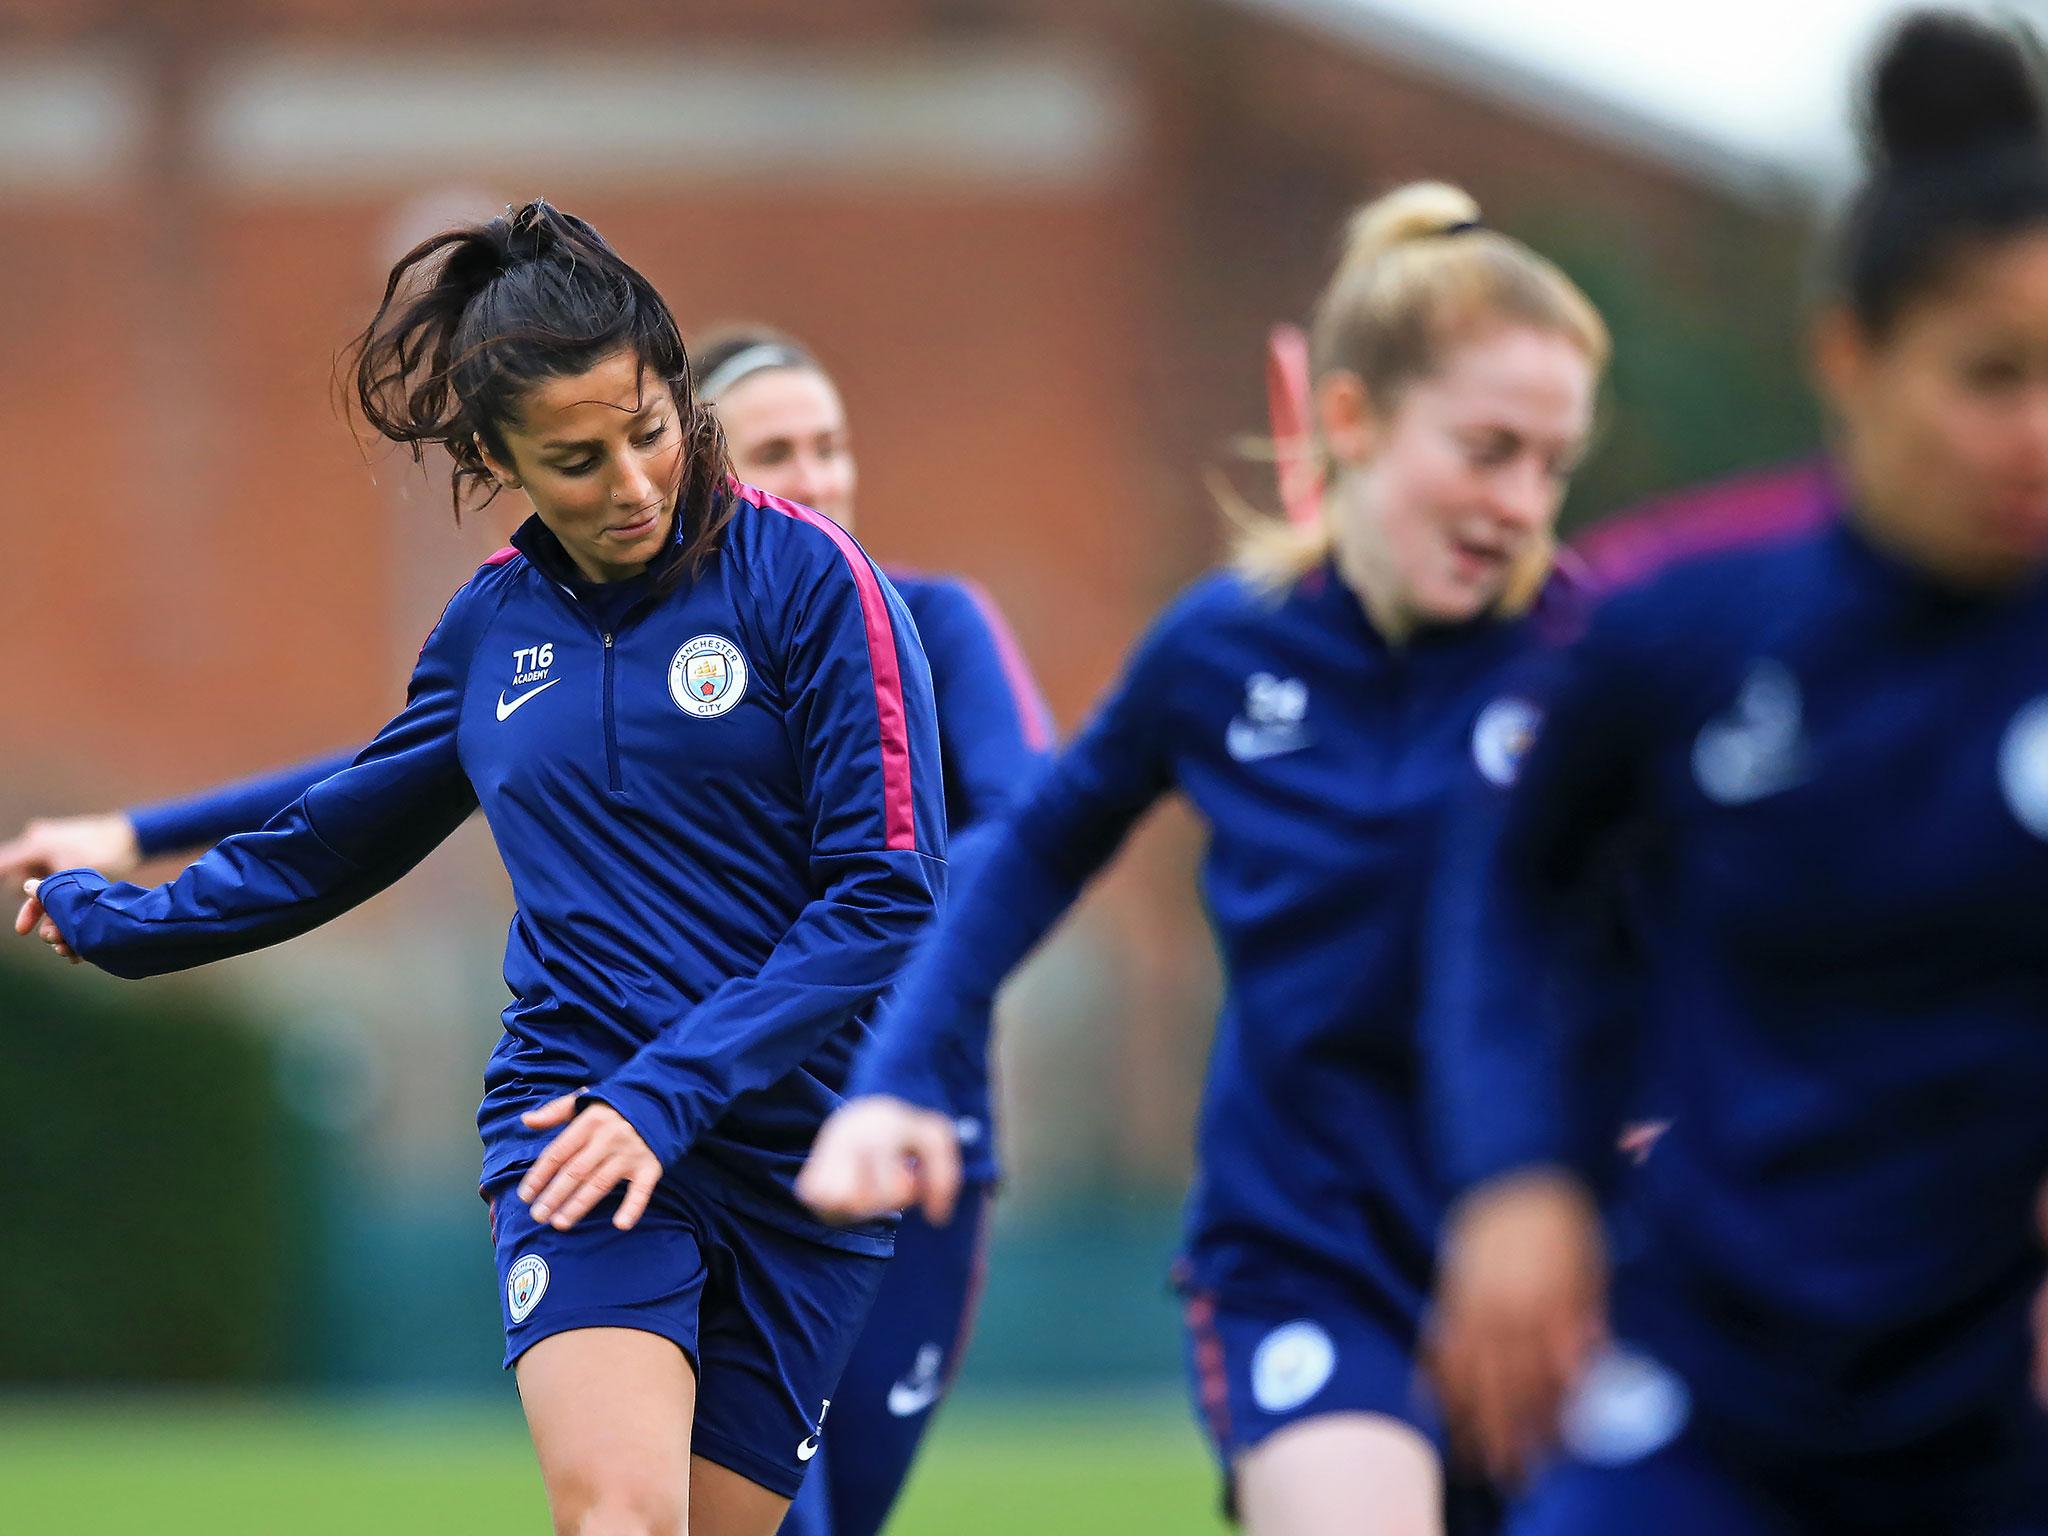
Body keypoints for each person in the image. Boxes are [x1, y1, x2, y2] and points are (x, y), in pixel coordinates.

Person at [0, 320, 1051, 1536]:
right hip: (580, 1114)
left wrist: (916, 985)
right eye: (780, 449)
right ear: (509, 462)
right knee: (621, 1518)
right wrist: (136, 888)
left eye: (828, 445)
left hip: (836, 1131)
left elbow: (946, 863)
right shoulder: (503, 622)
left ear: (679, 428)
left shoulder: (853, 598)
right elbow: (368, 796)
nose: (635, 483)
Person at [797, 181, 1608, 1536]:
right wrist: (898, 1079)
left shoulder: (1597, 662)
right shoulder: (1223, 650)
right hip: (1310, 1253)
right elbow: (1031, 850)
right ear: (1348, 419)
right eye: (1486, 450)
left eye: (1553, 463)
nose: (1521, 502)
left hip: (1545, 1253)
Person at [1427, 14, 2048, 1533]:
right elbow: (1511, 900)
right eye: (1991, 374)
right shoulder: (1681, 637)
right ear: (1849, 354)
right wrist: (1522, 1176)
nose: (2038, 431)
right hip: (1717, 1386)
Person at [691, 326, 1052, 1536]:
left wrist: (887, 904)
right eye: (777, 451)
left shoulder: (935, 624)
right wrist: (148, 833)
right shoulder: (673, 665)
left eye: (832, 444)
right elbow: (434, 752)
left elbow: (1025, 820)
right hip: (724, 1150)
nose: (819, 475)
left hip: (913, 1148)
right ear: (704, 479)